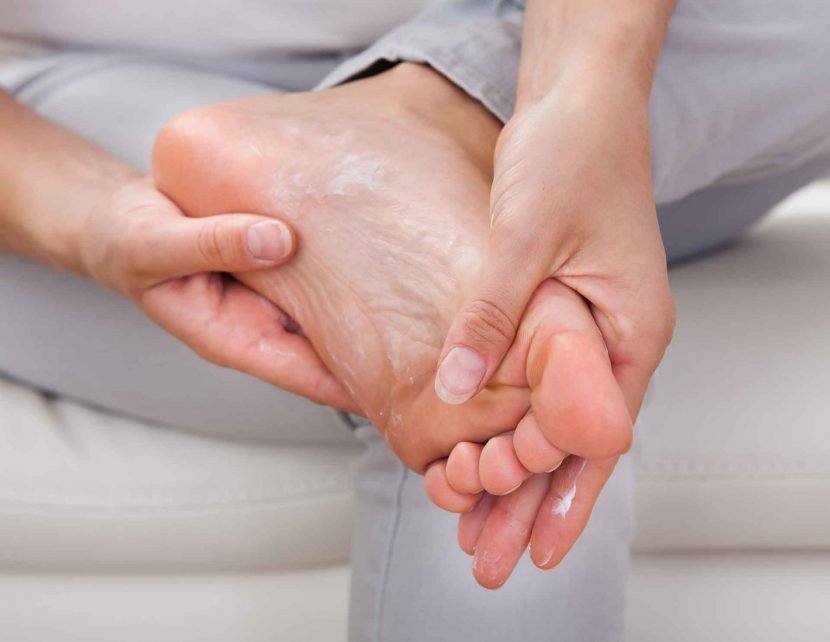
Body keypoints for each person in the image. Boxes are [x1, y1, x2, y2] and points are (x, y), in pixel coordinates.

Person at [1, 2, 828, 641]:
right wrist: (90, 212)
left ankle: (437, 117)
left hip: (589, 55)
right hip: (78, 117)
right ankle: (427, 150)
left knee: (494, 340)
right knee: (493, 370)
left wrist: (580, 100)